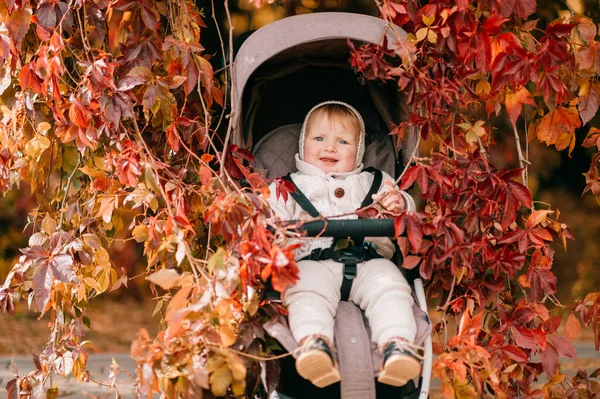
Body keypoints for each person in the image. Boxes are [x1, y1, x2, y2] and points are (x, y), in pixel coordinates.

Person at [266, 101, 423, 388]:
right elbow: (267, 217)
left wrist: (399, 204)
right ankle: (314, 344)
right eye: (319, 139)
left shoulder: (374, 181)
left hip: (369, 261)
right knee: (303, 291)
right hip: (312, 261)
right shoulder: (286, 186)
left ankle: (397, 344)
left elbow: (404, 213)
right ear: (303, 145)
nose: (330, 148)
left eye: (342, 141)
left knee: (391, 287)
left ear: (359, 149)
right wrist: (272, 231)